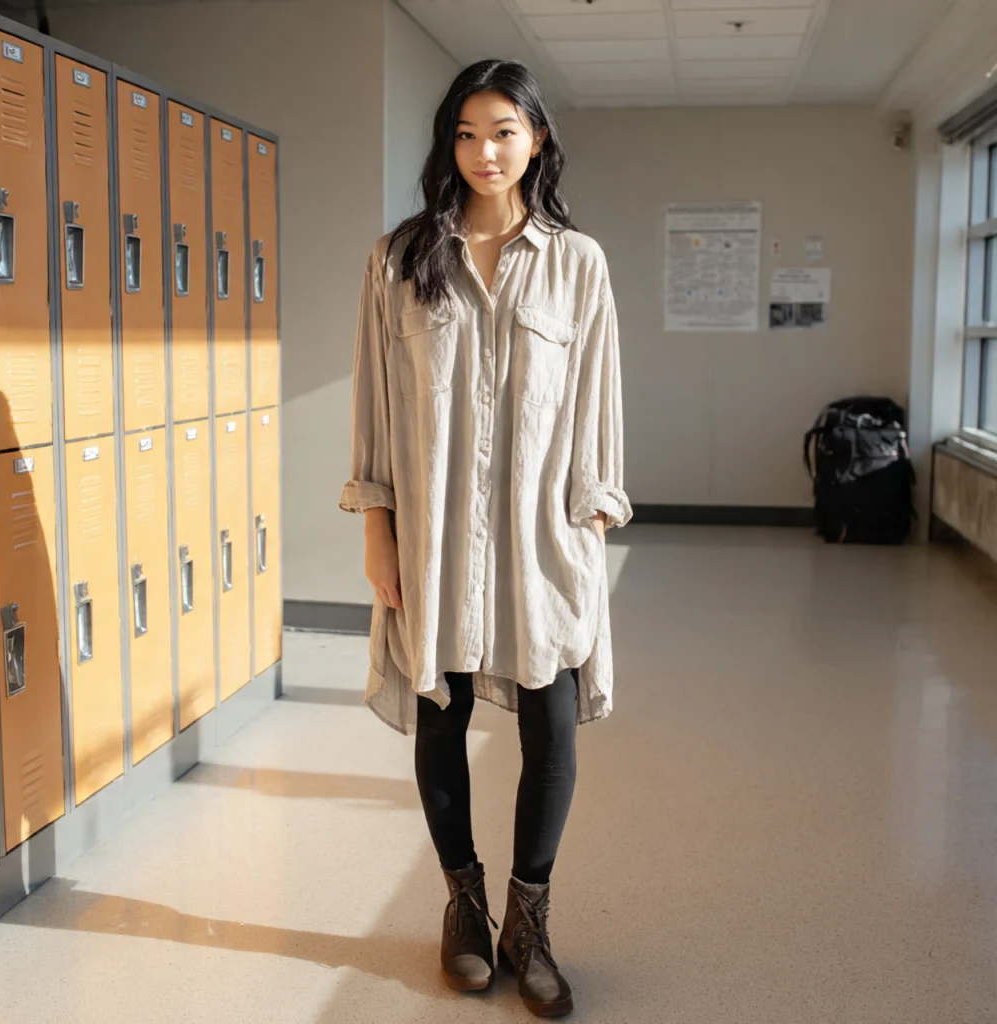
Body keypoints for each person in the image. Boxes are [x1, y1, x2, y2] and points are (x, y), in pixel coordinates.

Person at [339, 58, 631, 1017]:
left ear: (537, 138)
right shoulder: (399, 260)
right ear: (447, 145)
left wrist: (590, 520)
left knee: (550, 727)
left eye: (504, 130)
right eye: (466, 134)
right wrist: (378, 531)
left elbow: (598, 408)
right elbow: (376, 413)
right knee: (442, 714)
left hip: (542, 541)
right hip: (432, 538)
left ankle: (529, 920)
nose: (485, 152)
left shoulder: (577, 264)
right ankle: (463, 903)